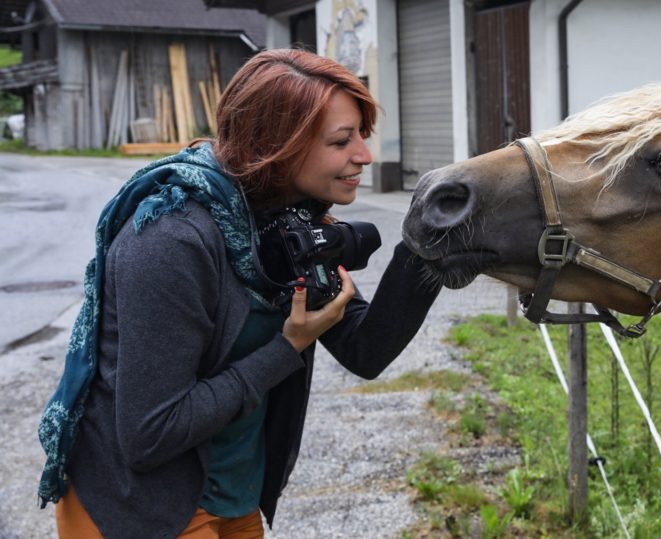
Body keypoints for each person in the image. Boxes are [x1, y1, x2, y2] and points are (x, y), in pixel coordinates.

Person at [37, 49, 442, 538]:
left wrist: (429, 244)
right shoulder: (171, 238)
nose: (364, 156)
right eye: (341, 141)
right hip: (142, 509)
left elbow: (364, 348)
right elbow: (151, 431)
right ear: (279, 146)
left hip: (233, 495)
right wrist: (286, 347)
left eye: (361, 135)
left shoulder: (286, 220)